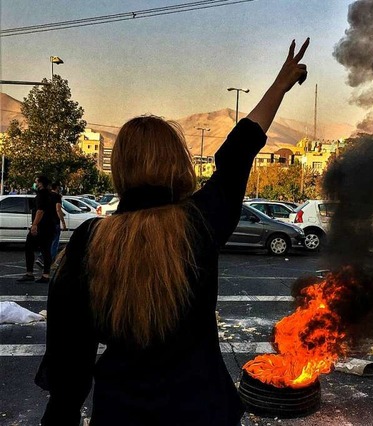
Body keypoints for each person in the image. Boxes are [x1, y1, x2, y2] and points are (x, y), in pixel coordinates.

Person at [35, 39, 309, 426]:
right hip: (204, 412)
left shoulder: (90, 242)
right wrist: (279, 86)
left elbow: (69, 366)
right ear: (178, 162)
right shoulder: (200, 223)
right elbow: (238, 152)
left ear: (120, 169)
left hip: (122, 414)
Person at [17, 175, 57, 283]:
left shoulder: (41, 194)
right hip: (50, 226)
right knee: (46, 250)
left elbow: (40, 211)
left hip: (41, 226)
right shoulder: (52, 195)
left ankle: (29, 273)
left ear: (40, 183)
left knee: (29, 246)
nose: (35, 184)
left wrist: (34, 225)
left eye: (36, 182)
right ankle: (46, 275)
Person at [36, 182, 67, 268]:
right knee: (54, 243)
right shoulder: (57, 197)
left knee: (47, 242)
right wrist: (63, 222)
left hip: (47, 222)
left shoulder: (47, 195)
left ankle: (41, 257)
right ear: (57, 187)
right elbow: (58, 209)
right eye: (60, 187)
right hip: (55, 222)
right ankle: (49, 262)